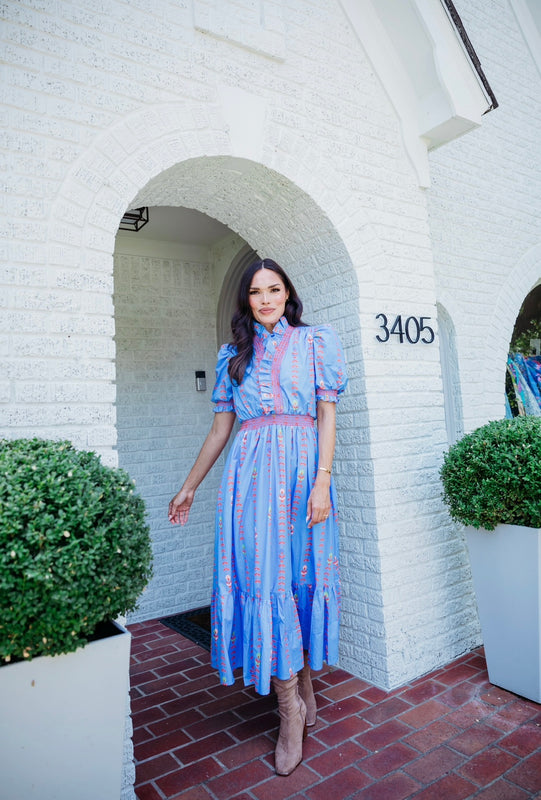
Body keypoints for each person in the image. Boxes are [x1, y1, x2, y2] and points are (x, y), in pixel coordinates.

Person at [169, 258, 347, 775]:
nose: (265, 299)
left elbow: (326, 415)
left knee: (296, 578)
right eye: (255, 292)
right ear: (246, 301)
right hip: (248, 482)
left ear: (287, 293)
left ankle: (302, 685)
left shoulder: (317, 343)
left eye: (274, 289)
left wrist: (323, 481)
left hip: (302, 479)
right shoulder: (232, 355)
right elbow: (221, 432)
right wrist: (188, 488)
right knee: (263, 578)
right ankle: (289, 708)